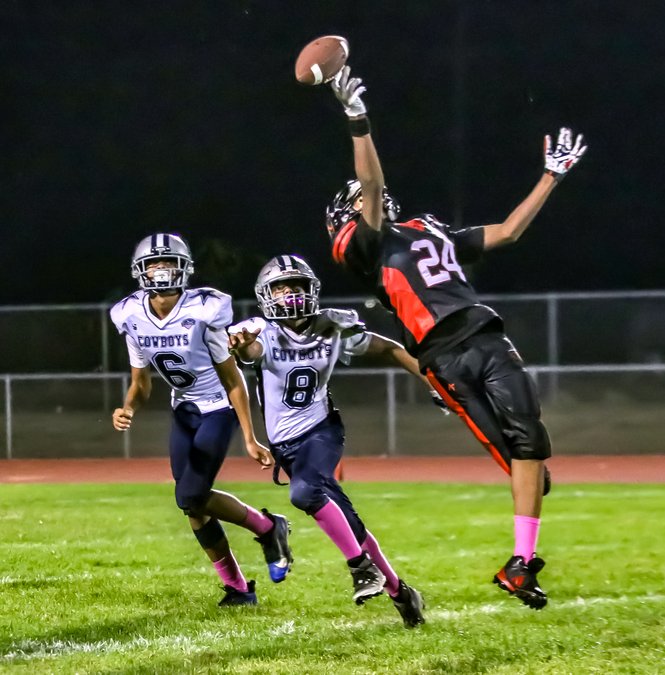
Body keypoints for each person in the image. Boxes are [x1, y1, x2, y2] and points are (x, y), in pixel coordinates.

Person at [321, 66, 588, 610]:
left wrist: (551, 176)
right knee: (526, 469)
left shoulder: (426, 229)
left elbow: (508, 232)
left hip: (483, 334)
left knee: (530, 443)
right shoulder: (361, 248)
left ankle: (521, 564)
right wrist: (357, 120)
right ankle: (525, 511)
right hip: (441, 358)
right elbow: (372, 186)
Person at [228, 254, 426, 628]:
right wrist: (240, 345)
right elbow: (250, 350)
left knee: (304, 494)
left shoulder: (332, 327)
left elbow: (387, 347)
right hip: (286, 445)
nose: (290, 294)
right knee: (350, 525)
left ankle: (360, 567)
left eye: (297, 286)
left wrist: (430, 379)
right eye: (281, 288)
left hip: (322, 430)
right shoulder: (262, 331)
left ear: (312, 290)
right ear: (267, 295)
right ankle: (401, 593)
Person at [110, 233, 293, 607]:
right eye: (154, 263)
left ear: (184, 268)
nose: (161, 270)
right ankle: (239, 589)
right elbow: (141, 383)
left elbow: (232, 379)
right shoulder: (130, 315)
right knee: (192, 506)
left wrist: (249, 437)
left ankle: (267, 527)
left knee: (190, 494)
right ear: (140, 270)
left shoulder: (205, 309)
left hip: (218, 408)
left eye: (168, 262)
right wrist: (128, 407)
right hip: (184, 410)